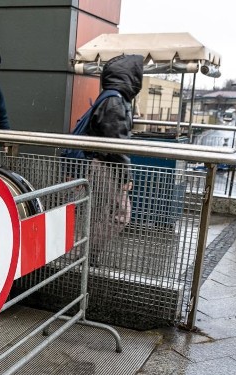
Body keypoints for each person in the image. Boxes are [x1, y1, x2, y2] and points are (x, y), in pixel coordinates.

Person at [82, 54, 144, 259]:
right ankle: (87, 254)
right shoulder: (115, 102)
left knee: (101, 212)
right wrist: (125, 178)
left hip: (100, 163)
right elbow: (116, 144)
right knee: (120, 214)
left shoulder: (110, 97)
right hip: (107, 166)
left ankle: (87, 255)